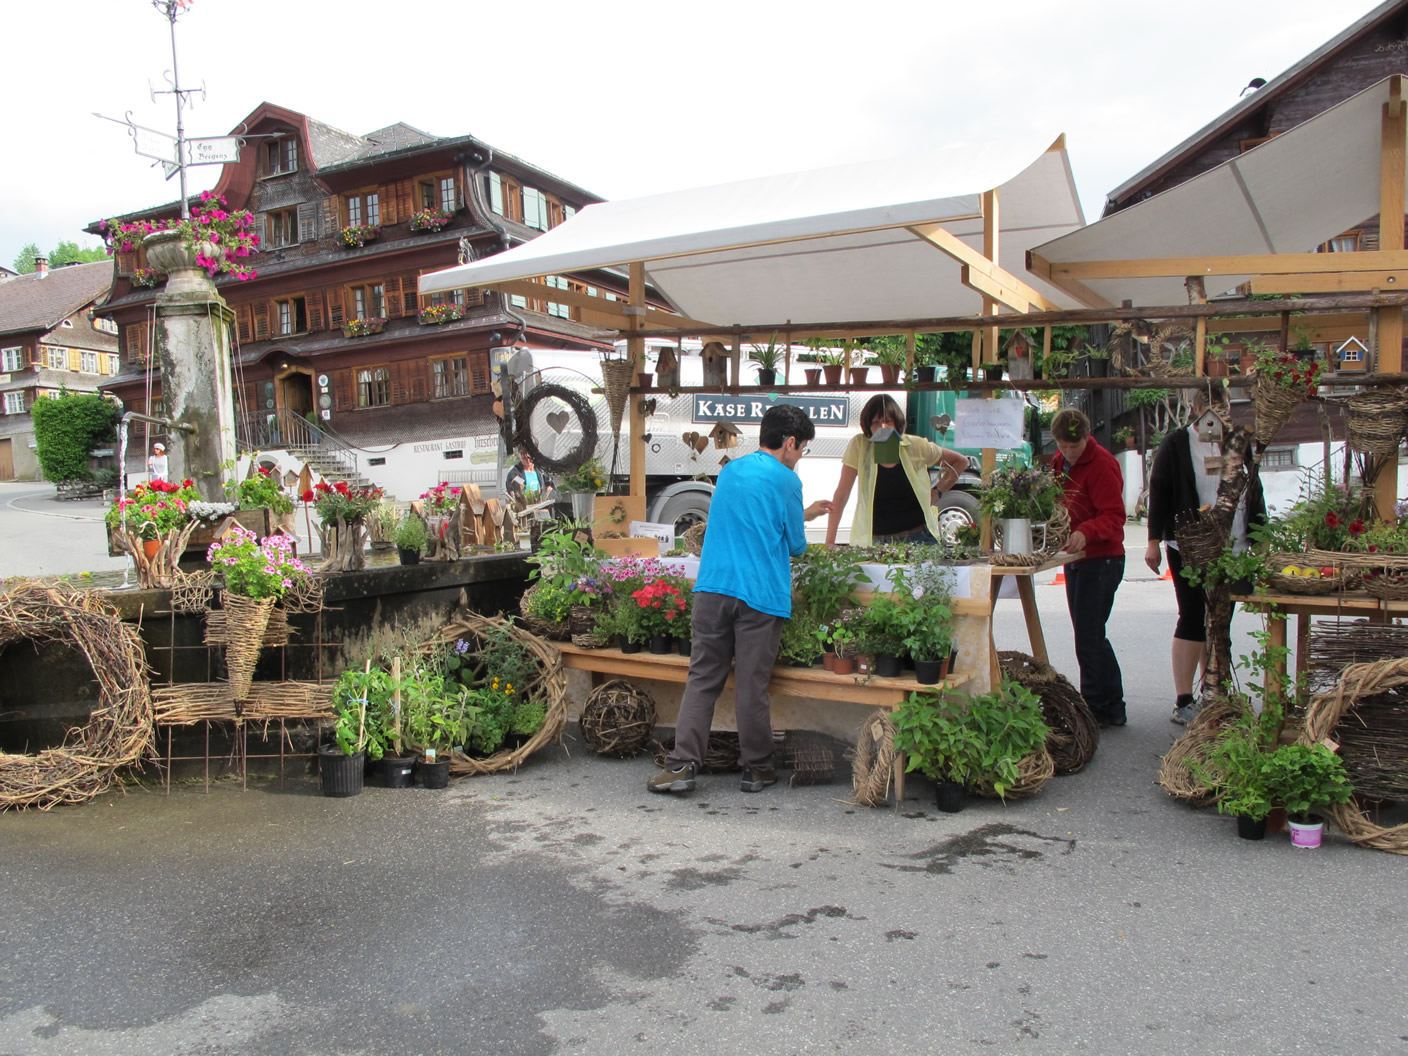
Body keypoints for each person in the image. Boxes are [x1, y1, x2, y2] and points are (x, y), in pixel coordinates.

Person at [649, 404, 832, 794]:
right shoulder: (787, 480)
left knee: (702, 679)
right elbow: (796, 546)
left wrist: (804, 513)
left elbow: (750, 516)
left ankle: (682, 766)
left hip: (713, 588)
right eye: (802, 449)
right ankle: (757, 769)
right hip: (759, 595)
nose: (800, 457)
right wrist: (803, 516)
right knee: (751, 686)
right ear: (790, 442)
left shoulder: (731, 471)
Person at [1145, 388, 1265, 725]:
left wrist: (1260, 535)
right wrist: (1153, 541)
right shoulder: (1176, 443)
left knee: (1220, 621)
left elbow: (1254, 489)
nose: (1215, 413)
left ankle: (1213, 691)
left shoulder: (1238, 443)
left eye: (1221, 406)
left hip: (1234, 545)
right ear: (1195, 409)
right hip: (1189, 545)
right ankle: (1184, 699)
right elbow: (1160, 491)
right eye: (1208, 406)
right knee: (1193, 617)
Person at [1052, 408, 1128, 728]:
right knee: (1088, 635)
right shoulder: (1059, 462)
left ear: (1087, 437)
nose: (1068, 452)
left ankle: (1100, 708)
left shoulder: (1103, 464)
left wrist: (1087, 531)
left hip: (1102, 559)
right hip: (1076, 558)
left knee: (1090, 636)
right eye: (1063, 446)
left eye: (1074, 446)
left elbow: (1114, 516)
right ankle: (1109, 706)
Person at [824, 394, 970, 547]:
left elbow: (961, 461)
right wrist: (830, 541)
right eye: (875, 422)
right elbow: (842, 494)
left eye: (887, 421)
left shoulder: (915, 445)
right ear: (867, 426)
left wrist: (937, 491)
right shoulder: (860, 446)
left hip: (919, 539)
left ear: (897, 422)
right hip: (876, 542)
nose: (883, 427)